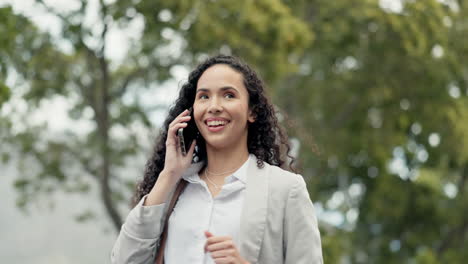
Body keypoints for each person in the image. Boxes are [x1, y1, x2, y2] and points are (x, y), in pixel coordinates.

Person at [111, 55, 323, 264]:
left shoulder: (285, 189)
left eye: (229, 95)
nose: (214, 106)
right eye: (203, 96)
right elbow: (124, 260)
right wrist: (169, 175)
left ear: (252, 111)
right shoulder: (175, 187)